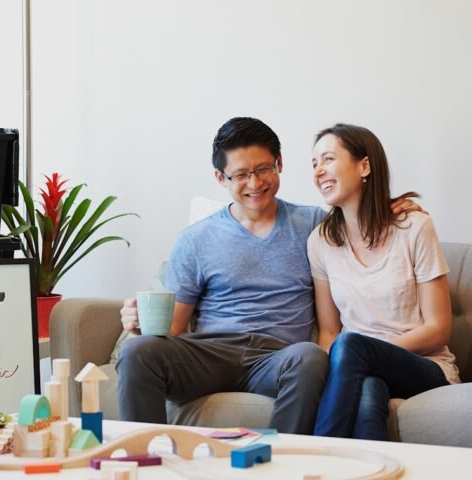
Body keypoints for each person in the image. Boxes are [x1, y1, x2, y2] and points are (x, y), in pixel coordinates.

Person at [117, 117, 418, 435]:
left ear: (280, 164)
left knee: (310, 357)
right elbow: (173, 328)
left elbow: (361, 221)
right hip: (210, 354)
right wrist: (137, 325)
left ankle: (281, 461)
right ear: (220, 178)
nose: (255, 183)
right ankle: (145, 460)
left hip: (278, 358)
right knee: (137, 350)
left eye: (263, 169)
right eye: (241, 175)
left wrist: (390, 209)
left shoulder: (315, 225)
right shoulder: (196, 239)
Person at [308, 123, 459, 441]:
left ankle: (318, 452)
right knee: (368, 389)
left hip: (425, 366)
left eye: (328, 159)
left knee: (351, 346)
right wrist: (359, 362)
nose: (319, 170)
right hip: (360, 369)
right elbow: (329, 333)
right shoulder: (320, 242)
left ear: (364, 165)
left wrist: (368, 353)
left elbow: (439, 328)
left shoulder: (414, 227)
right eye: (314, 163)